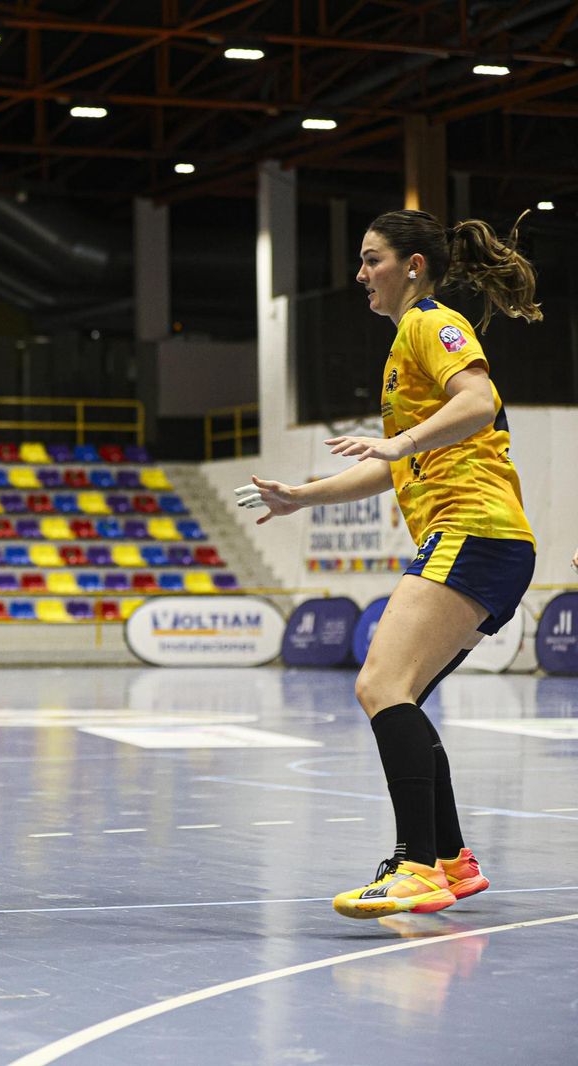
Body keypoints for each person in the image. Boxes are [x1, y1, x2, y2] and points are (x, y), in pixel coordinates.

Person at [236, 208, 542, 919]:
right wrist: (301, 498)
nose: (360, 273)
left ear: (414, 266)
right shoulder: (407, 345)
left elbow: (478, 399)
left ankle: (415, 867)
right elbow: (392, 464)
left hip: (475, 529)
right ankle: (451, 861)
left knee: (381, 684)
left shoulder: (429, 324)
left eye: (373, 259)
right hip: (491, 541)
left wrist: (399, 446)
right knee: (402, 693)